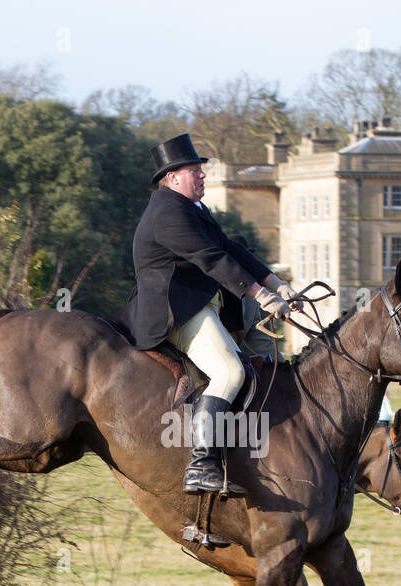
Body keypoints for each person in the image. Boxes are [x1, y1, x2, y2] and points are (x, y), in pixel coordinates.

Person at [120, 133, 298, 496]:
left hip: (206, 306)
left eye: (201, 170)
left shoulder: (194, 209)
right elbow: (212, 260)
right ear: (172, 178)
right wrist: (262, 296)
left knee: (265, 364)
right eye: (194, 171)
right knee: (229, 371)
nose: (202, 176)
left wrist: (278, 284)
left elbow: (231, 248)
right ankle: (201, 466)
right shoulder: (168, 213)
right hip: (175, 312)